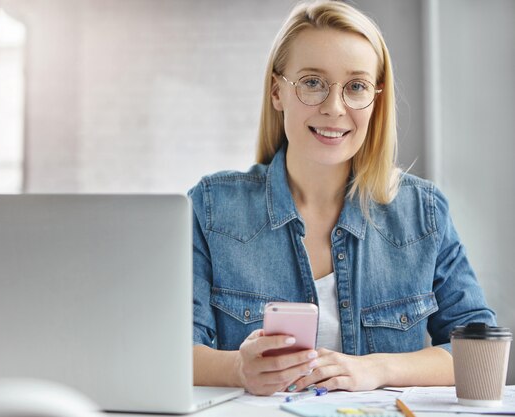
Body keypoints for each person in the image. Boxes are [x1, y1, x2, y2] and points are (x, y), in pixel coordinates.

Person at [188, 0, 496, 396]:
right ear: (277, 91)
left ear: (375, 99)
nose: (335, 108)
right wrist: (237, 368)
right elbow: (173, 351)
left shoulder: (423, 212)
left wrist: (375, 369)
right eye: (313, 82)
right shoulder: (212, 208)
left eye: (356, 87)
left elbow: (479, 347)